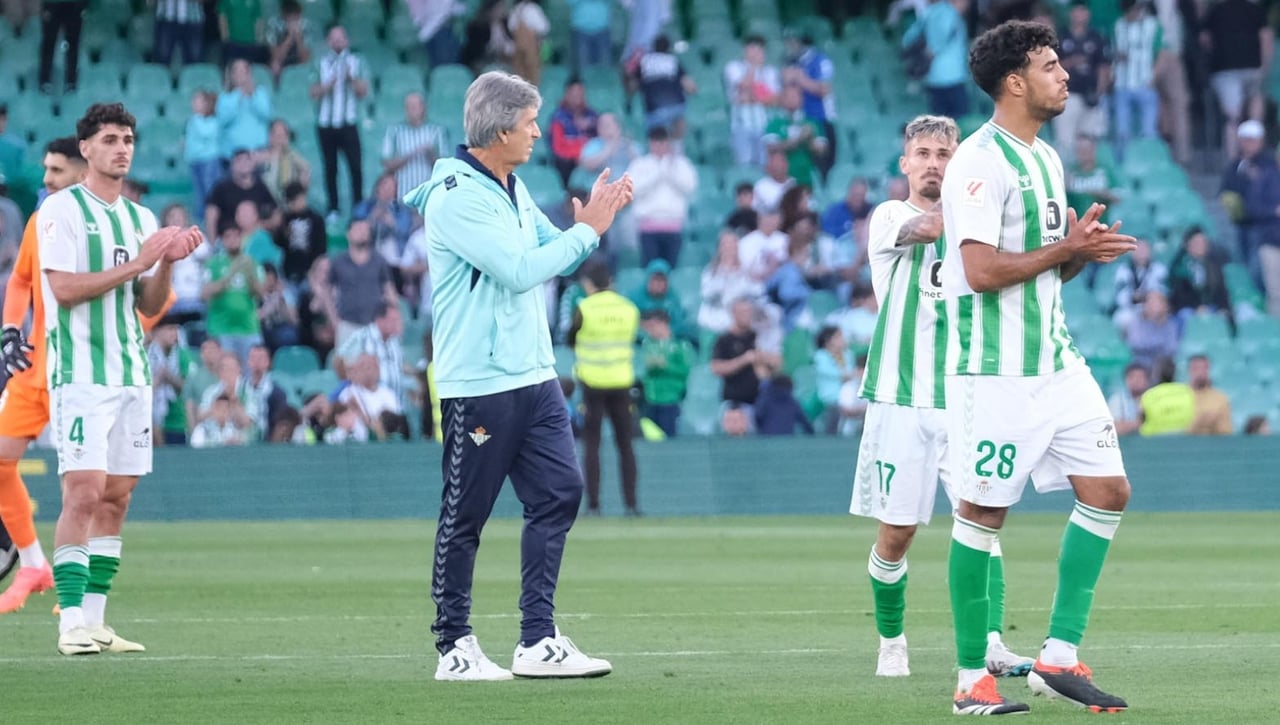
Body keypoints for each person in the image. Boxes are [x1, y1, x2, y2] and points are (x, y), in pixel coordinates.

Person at [403, 71, 631, 680]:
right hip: (478, 382)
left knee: (560, 492)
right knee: (467, 513)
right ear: (500, 128)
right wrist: (588, 232)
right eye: (529, 121)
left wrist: (588, 225)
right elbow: (520, 270)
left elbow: (551, 245)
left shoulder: (511, 183)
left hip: (533, 374)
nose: (536, 131)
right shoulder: (456, 196)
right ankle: (453, 646)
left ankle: (537, 638)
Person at [938, 21, 1137, 714]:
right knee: (983, 511)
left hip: (1057, 362)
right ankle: (971, 683)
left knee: (1109, 490)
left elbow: (1048, 273)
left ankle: (1056, 657)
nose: (1065, 75)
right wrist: (1063, 251)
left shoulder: (1046, 160)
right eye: (1051, 66)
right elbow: (982, 269)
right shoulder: (977, 162)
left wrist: (1082, 250)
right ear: (1015, 82)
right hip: (995, 373)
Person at [849, 114, 1033, 679]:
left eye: (944, 155)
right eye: (924, 154)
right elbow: (922, 230)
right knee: (898, 533)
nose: (933, 163)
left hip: (966, 397)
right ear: (905, 163)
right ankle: (891, 639)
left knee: (982, 518)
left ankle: (994, 641)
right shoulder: (891, 217)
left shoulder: (981, 230)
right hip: (901, 398)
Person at [38, 103, 203, 654]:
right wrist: (139, 263)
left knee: (117, 498)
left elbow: (147, 305)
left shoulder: (141, 219)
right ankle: (68, 625)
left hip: (132, 371)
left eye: (128, 138)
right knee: (81, 493)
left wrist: (168, 261)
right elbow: (62, 289)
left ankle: (98, 622)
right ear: (85, 149)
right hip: (82, 372)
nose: (122, 148)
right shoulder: (60, 211)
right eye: (110, 139)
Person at [0, 136, 84, 613]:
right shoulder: (41, 219)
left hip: (83, 370)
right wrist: (12, 330)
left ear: (80, 169)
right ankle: (34, 564)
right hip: (37, 368)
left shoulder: (100, 224)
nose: (46, 179)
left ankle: (80, 591)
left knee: (83, 484)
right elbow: (21, 280)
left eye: (55, 171)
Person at [566, 259, 640, 516]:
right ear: (610, 282)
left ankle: (594, 505)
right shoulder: (629, 309)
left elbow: (570, 339)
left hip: (593, 383)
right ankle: (631, 505)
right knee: (626, 446)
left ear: (589, 284)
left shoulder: (584, 308)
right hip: (621, 381)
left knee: (592, 446)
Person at [311, 23, 370, 221]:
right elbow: (313, 92)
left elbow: (363, 91)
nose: (337, 41)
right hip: (325, 124)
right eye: (333, 37)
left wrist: (350, 78)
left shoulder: (356, 61)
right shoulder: (320, 63)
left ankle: (359, 207)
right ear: (328, 41)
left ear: (346, 40)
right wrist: (330, 83)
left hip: (348, 123)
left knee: (355, 167)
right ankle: (333, 209)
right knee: (330, 168)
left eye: (341, 37)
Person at [1201, 0, 1271, 160]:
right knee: (1254, 112)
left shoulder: (1215, 11)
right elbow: (1266, 38)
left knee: (1232, 119)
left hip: (1224, 69)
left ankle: (1233, 161)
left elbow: (1205, 40)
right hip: (1252, 67)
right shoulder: (1255, 9)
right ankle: (1256, 156)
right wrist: (1264, 65)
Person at [628, 127, 697, 268]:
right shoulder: (640, 164)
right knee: (650, 271)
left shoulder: (681, 164)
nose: (659, 146)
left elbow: (690, 187)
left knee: (672, 270)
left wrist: (669, 171)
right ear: (650, 143)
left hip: (674, 226)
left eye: (663, 142)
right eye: (656, 142)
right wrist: (656, 175)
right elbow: (633, 189)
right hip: (647, 227)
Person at [1053, 2, 1110, 164]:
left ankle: (1088, 179)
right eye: (1077, 11)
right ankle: (1064, 181)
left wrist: (1099, 93)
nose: (1080, 14)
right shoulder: (1060, 37)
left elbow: (1104, 66)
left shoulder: (1096, 37)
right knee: (1065, 141)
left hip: (1090, 96)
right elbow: (1049, 67)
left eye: (1083, 11)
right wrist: (1071, 62)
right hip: (1067, 95)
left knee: (1090, 139)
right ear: (1071, 13)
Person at [328, 219, 398, 346]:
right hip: (347, 324)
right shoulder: (338, 262)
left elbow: (389, 291)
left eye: (365, 230)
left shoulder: (379, 261)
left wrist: (395, 317)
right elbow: (329, 293)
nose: (362, 233)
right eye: (358, 229)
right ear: (348, 234)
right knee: (347, 364)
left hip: (374, 325)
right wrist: (334, 319)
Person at [903, 0, 970, 118]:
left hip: (934, 78)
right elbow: (939, 38)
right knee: (958, 123)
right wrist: (933, 48)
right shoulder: (948, 12)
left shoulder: (929, 12)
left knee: (939, 124)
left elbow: (908, 39)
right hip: (951, 78)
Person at [1111, 0, 1160, 161]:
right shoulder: (1118, 26)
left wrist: (1155, 77)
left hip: (1146, 83)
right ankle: (1123, 164)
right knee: (1122, 131)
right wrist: (1117, 57)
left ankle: (1149, 163)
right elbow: (1111, 52)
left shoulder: (1153, 26)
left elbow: (1163, 52)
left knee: (1149, 131)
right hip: (1122, 85)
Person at [724, 35, 780, 167]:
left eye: (759, 49)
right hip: (741, 125)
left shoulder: (770, 71)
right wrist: (753, 67)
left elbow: (774, 99)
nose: (756, 53)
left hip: (765, 125)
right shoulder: (733, 67)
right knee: (744, 165)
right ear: (745, 49)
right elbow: (743, 86)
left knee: (765, 164)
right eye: (752, 48)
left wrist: (751, 97)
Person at [337, 300, 405, 406]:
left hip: (395, 402)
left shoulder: (394, 342)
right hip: (371, 402)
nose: (397, 324)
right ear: (379, 321)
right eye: (393, 320)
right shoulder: (361, 337)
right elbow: (339, 361)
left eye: (398, 320)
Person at [382, 92, 449, 198]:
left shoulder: (437, 131)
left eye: (415, 106)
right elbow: (387, 164)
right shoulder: (394, 131)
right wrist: (410, 156)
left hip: (427, 197)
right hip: (402, 196)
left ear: (423, 108)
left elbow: (444, 166)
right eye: (408, 107)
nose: (412, 110)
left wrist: (430, 153)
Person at [639, 309, 692, 438]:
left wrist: (665, 366)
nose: (649, 331)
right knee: (647, 438)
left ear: (663, 324)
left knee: (668, 439)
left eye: (652, 326)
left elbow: (685, 371)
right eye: (646, 327)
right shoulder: (645, 345)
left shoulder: (680, 345)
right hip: (648, 399)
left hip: (670, 399)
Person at [763, 85, 828, 190]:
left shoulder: (812, 122)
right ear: (782, 99)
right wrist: (798, 139)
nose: (792, 99)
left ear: (801, 99)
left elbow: (821, 150)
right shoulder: (774, 123)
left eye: (795, 96)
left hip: (806, 177)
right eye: (788, 96)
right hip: (781, 180)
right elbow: (771, 148)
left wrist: (810, 139)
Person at [204, 148, 277, 243]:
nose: (243, 164)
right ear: (232, 166)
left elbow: (276, 213)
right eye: (239, 161)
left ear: (252, 164)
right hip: (227, 242)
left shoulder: (261, 187)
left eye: (246, 160)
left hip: (255, 239)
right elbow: (211, 217)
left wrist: (262, 226)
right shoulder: (221, 188)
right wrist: (212, 244)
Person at [632, 35, 696, 141]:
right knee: (678, 123)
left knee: (657, 139)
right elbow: (690, 86)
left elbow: (633, 85)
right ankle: (677, 148)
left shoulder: (644, 61)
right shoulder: (673, 60)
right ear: (668, 48)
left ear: (653, 47)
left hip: (654, 109)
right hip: (676, 107)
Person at [274, 181, 327, 289]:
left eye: (296, 200)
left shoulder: (316, 219)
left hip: (310, 272)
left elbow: (321, 249)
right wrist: (281, 230)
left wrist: (313, 271)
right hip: (289, 270)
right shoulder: (285, 219)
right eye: (290, 201)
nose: (293, 204)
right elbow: (279, 244)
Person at [216, 59, 273, 160]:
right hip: (232, 154)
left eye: (244, 71)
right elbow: (223, 121)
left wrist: (253, 96)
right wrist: (237, 97)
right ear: (231, 75)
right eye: (236, 71)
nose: (240, 75)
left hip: (258, 152)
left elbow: (267, 115)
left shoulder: (260, 93)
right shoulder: (224, 97)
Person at [549, 79, 599, 188]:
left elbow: (603, 139)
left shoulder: (593, 116)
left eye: (580, 93)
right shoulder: (558, 118)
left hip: (593, 159)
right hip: (569, 162)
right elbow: (558, 148)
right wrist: (580, 154)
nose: (577, 97)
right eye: (574, 93)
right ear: (566, 94)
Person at [1110, 239, 1166, 329]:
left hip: (1154, 308)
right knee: (1121, 318)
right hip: (1131, 308)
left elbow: (1162, 293)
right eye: (1138, 249)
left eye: (1145, 249)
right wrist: (1135, 298)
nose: (1142, 252)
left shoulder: (1159, 269)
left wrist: (1146, 299)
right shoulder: (1123, 270)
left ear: (1150, 251)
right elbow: (1121, 297)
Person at [185, 90, 223, 219]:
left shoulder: (212, 121)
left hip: (209, 161)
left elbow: (205, 133)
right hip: (195, 161)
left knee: (209, 193)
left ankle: (212, 219)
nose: (194, 103)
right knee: (200, 194)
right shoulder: (194, 120)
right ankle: (202, 221)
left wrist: (196, 118)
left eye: (198, 101)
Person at [1123, 287, 1179, 371]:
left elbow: (1171, 349)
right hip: (1141, 365)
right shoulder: (1136, 321)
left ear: (1165, 306)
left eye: (1157, 303)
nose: (1153, 306)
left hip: (1161, 366)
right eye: (1150, 302)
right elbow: (1135, 343)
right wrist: (1159, 345)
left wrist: (1149, 347)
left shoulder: (1170, 324)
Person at [37, 0, 87, 94]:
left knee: (72, 44)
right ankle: (45, 81)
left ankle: (71, 82)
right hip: (52, 4)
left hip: (74, 5)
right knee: (48, 44)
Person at [259, 119, 311, 208]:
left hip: (288, 203)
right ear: (270, 136)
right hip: (267, 204)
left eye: (283, 135)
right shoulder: (260, 156)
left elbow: (306, 169)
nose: (280, 139)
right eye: (277, 135)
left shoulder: (292, 156)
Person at [1138, 355, 1193, 436]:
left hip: (1154, 440)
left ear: (1156, 373)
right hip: (1184, 439)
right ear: (1174, 372)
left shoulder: (1148, 396)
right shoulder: (1188, 391)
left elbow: (1141, 421)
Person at [265, 0, 312, 82]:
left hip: (298, 58)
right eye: (290, 19)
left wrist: (298, 38)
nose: (293, 22)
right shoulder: (273, 24)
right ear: (283, 16)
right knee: (275, 65)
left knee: (308, 66)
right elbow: (276, 56)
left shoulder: (306, 25)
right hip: (282, 59)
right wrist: (289, 38)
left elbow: (305, 58)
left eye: (296, 19)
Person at [1186, 354, 1232, 435]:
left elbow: (1226, 432)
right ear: (1189, 370)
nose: (1200, 372)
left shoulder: (1220, 398)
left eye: (1204, 368)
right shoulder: (1180, 395)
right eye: (1196, 368)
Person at [508, 0, 549, 85]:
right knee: (532, 80)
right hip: (531, 51)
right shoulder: (533, 9)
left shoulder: (515, 10)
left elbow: (510, 27)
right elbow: (544, 28)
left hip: (518, 51)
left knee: (517, 79)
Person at [1108, 362, 1149, 436]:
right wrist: (1141, 422)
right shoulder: (1116, 400)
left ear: (1147, 380)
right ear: (1126, 379)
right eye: (1132, 377)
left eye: (1140, 377)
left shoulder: (1154, 398)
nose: (1136, 380)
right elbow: (1114, 428)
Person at [218, 0, 264, 65]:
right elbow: (222, 16)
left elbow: (258, 19)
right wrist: (224, 37)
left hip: (250, 43)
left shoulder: (255, 1)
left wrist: (259, 38)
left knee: (249, 70)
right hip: (232, 41)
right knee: (230, 68)